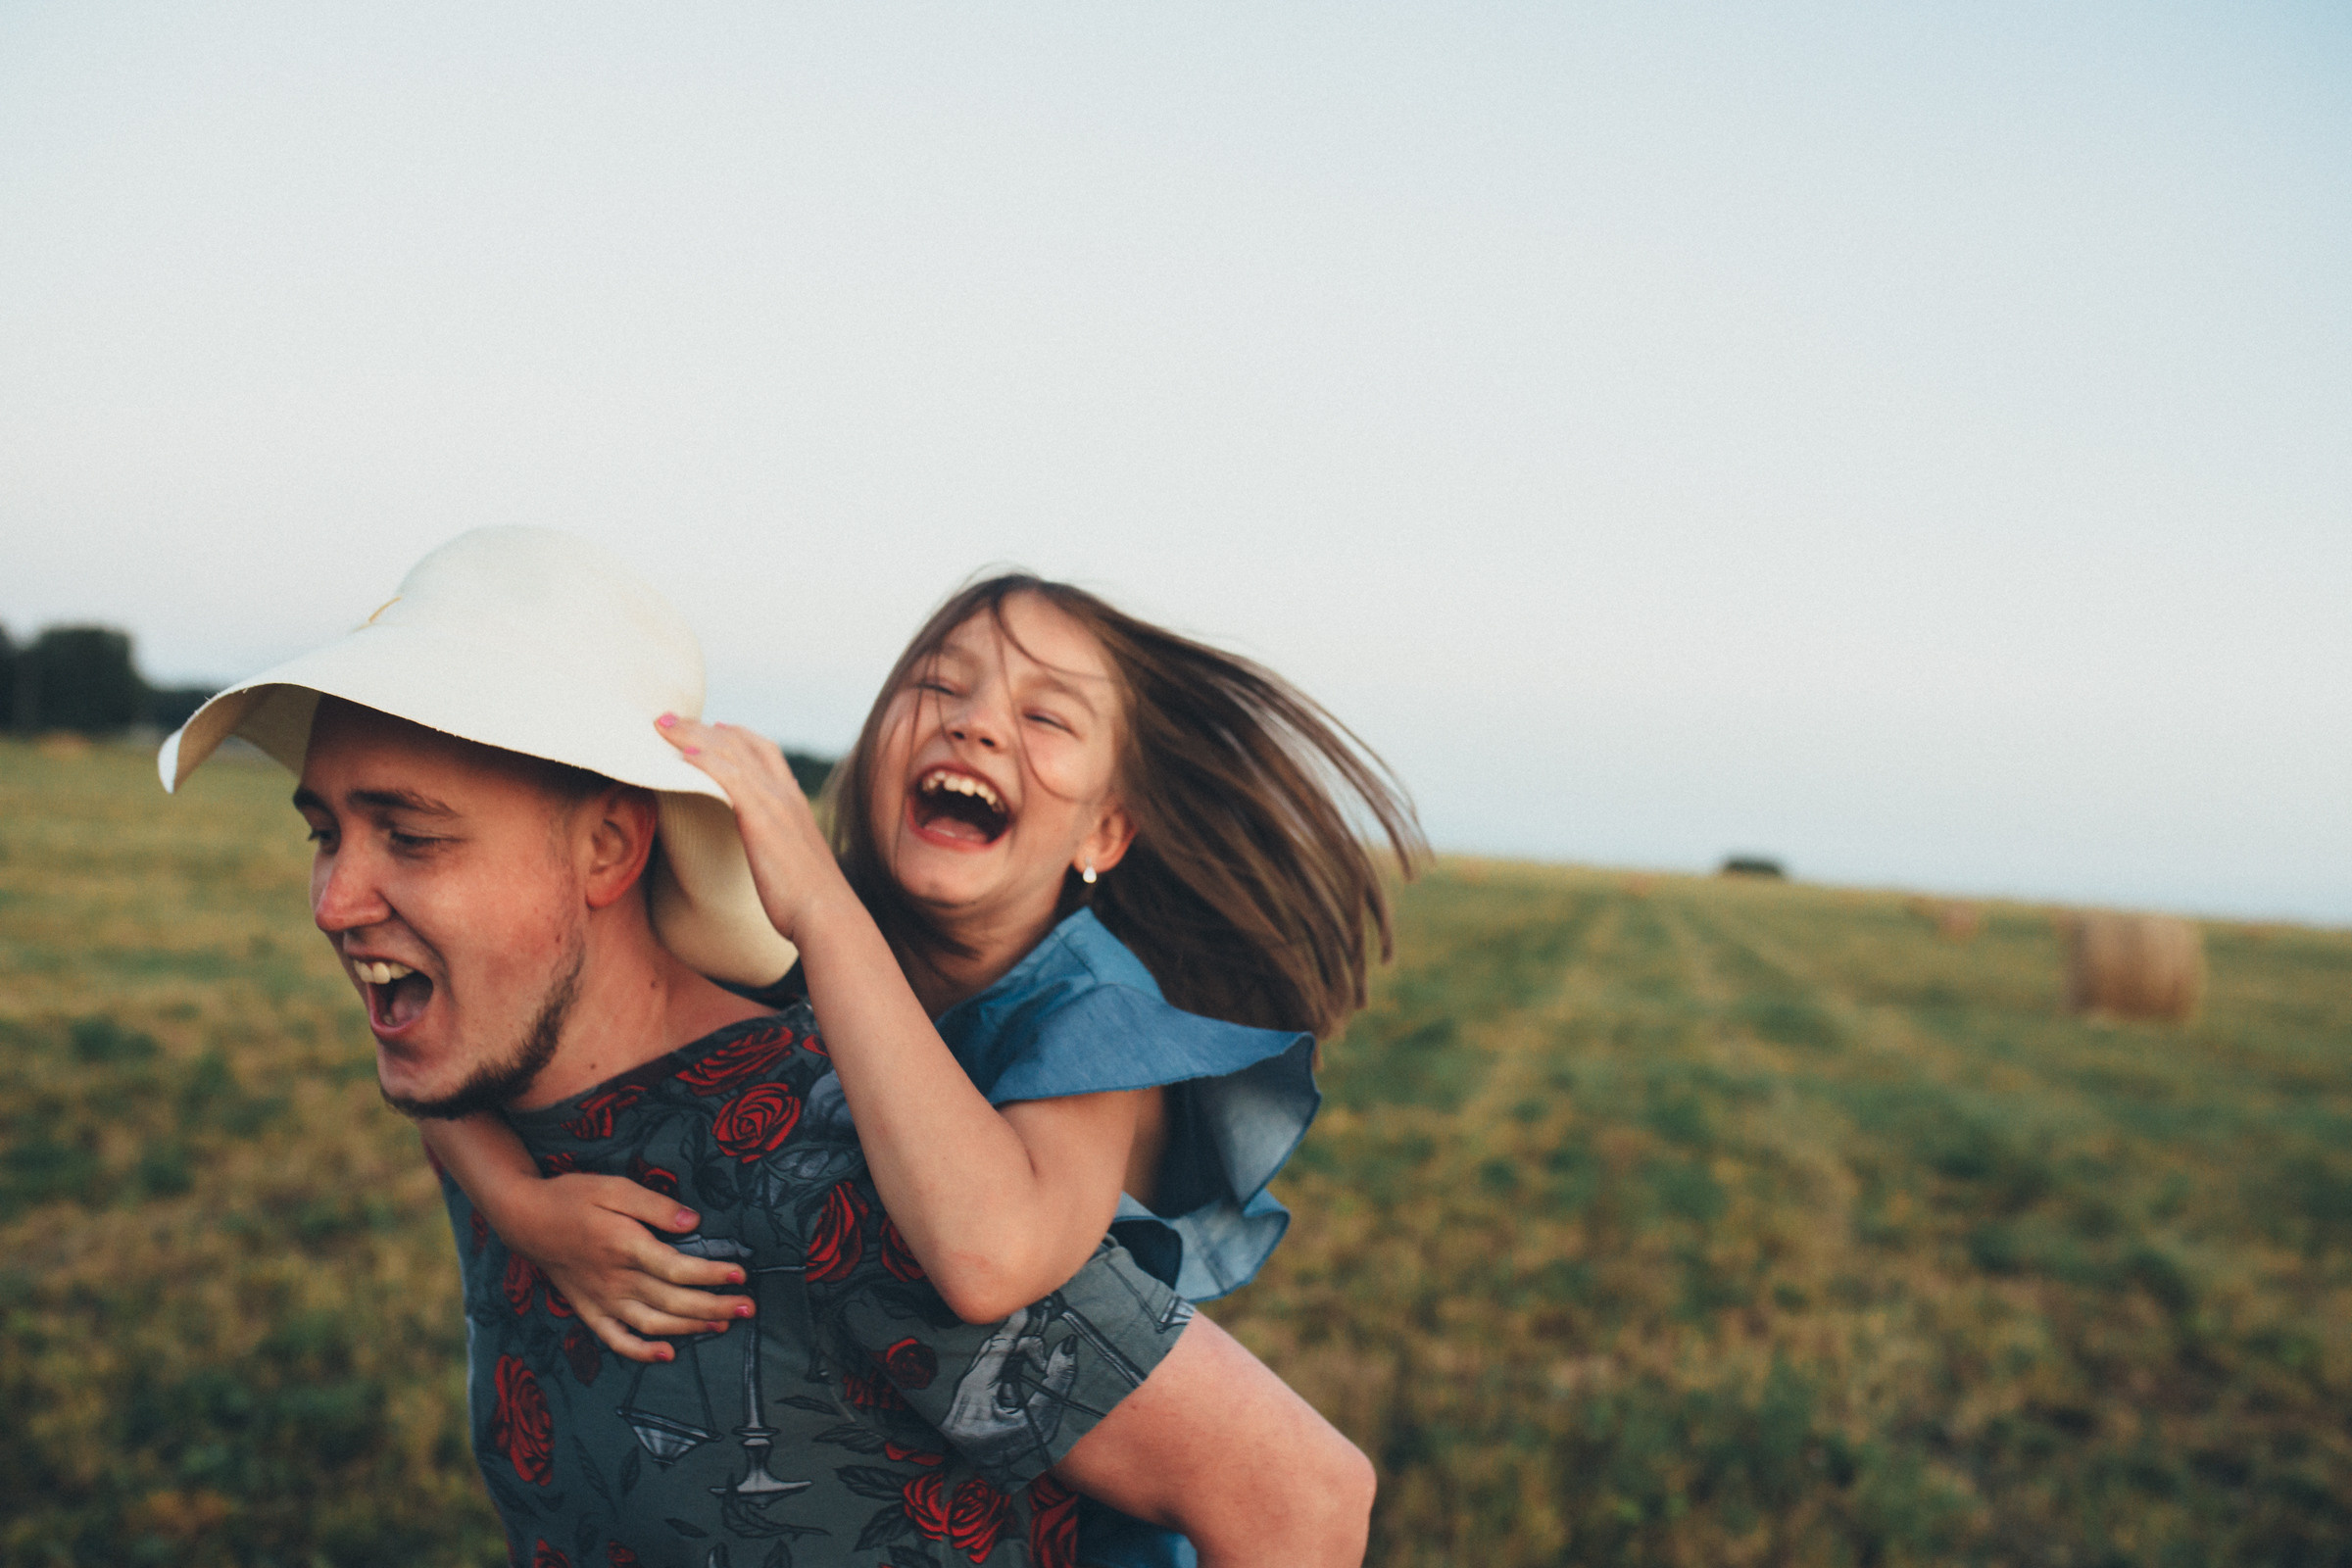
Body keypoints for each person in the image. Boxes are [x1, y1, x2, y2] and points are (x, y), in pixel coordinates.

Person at [157, 528, 1374, 1568]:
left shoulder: (1068, 1027)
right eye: (939, 689)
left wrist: (814, 901)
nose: (333, 902)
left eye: (414, 837)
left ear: (613, 850)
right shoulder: (748, 994)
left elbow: (1003, 1262)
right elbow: (449, 1080)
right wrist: (523, 1203)